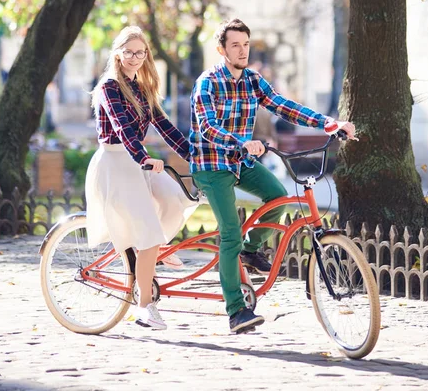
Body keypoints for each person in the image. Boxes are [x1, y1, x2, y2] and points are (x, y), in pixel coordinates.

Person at [189, 18, 356, 334]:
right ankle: (237, 311)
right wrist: (242, 142)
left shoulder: (252, 80)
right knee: (229, 234)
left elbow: (283, 106)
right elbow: (208, 127)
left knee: (278, 197)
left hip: (240, 160)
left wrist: (328, 123)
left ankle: (250, 251)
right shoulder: (207, 83)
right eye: (235, 45)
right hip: (211, 164)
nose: (242, 50)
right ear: (221, 49)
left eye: (246, 44)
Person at [86, 26, 196, 331]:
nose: (135, 57)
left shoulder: (144, 88)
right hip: (117, 162)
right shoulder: (109, 86)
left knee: (175, 199)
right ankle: (145, 307)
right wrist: (143, 157)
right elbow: (123, 129)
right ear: (118, 54)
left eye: (140, 52)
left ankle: (154, 254)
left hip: (139, 161)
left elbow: (165, 127)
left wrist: (195, 156)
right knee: (148, 235)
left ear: (146, 54)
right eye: (129, 52)